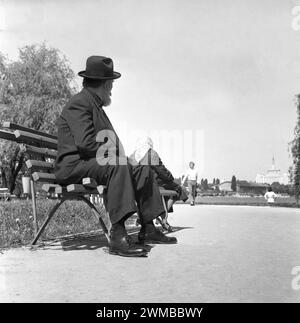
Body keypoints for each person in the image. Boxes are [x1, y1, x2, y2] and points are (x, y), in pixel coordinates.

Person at [54, 56, 177, 258]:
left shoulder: (93, 104)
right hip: (73, 166)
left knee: (141, 169)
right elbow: (86, 144)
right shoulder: (79, 103)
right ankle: (117, 234)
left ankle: (148, 227)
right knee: (118, 163)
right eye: (111, 84)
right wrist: (117, 156)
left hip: (90, 162)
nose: (112, 89)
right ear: (102, 84)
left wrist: (124, 160)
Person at [129, 136, 188, 229]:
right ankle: (162, 216)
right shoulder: (151, 153)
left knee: (165, 190)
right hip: (153, 183)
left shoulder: (132, 155)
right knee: (178, 190)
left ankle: (150, 215)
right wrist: (171, 178)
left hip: (137, 185)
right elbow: (162, 171)